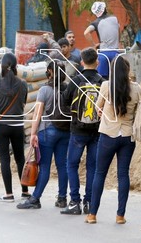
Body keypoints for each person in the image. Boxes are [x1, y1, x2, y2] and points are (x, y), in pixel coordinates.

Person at [85, 56, 141, 224]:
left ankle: (92, 214)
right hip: (127, 136)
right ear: (127, 70)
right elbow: (138, 111)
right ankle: (120, 215)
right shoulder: (136, 88)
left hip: (108, 134)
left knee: (100, 173)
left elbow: (97, 107)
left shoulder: (106, 86)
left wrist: (103, 112)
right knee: (123, 175)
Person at [17, 60, 70, 209]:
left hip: (47, 131)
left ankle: (35, 198)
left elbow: (37, 114)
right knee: (62, 166)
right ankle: (62, 198)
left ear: (50, 72)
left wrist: (33, 134)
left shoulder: (45, 90)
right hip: (65, 132)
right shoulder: (67, 89)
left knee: (45, 166)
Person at [61, 47, 105, 215]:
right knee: (92, 166)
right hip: (96, 130)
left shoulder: (75, 81)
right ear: (97, 62)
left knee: (72, 164)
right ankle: (89, 202)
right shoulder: (103, 82)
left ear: (81, 62)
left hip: (77, 129)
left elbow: (64, 101)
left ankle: (74, 202)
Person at [0, 53, 29, 202]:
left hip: (1, 126)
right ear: (16, 67)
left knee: (5, 159)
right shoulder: (23, 85)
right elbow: (24, 102)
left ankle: (9, 194)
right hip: (18, 125)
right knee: (20, 159)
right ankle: (25, 192)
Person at [83, 2, 120, 79]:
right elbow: (118, 31)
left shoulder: (96, 22)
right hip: (115, 53)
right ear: (105, 8)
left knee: (102, 79)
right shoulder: (115, 19)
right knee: (117, 78)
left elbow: (86, 33)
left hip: (103, 54)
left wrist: (94, 45)